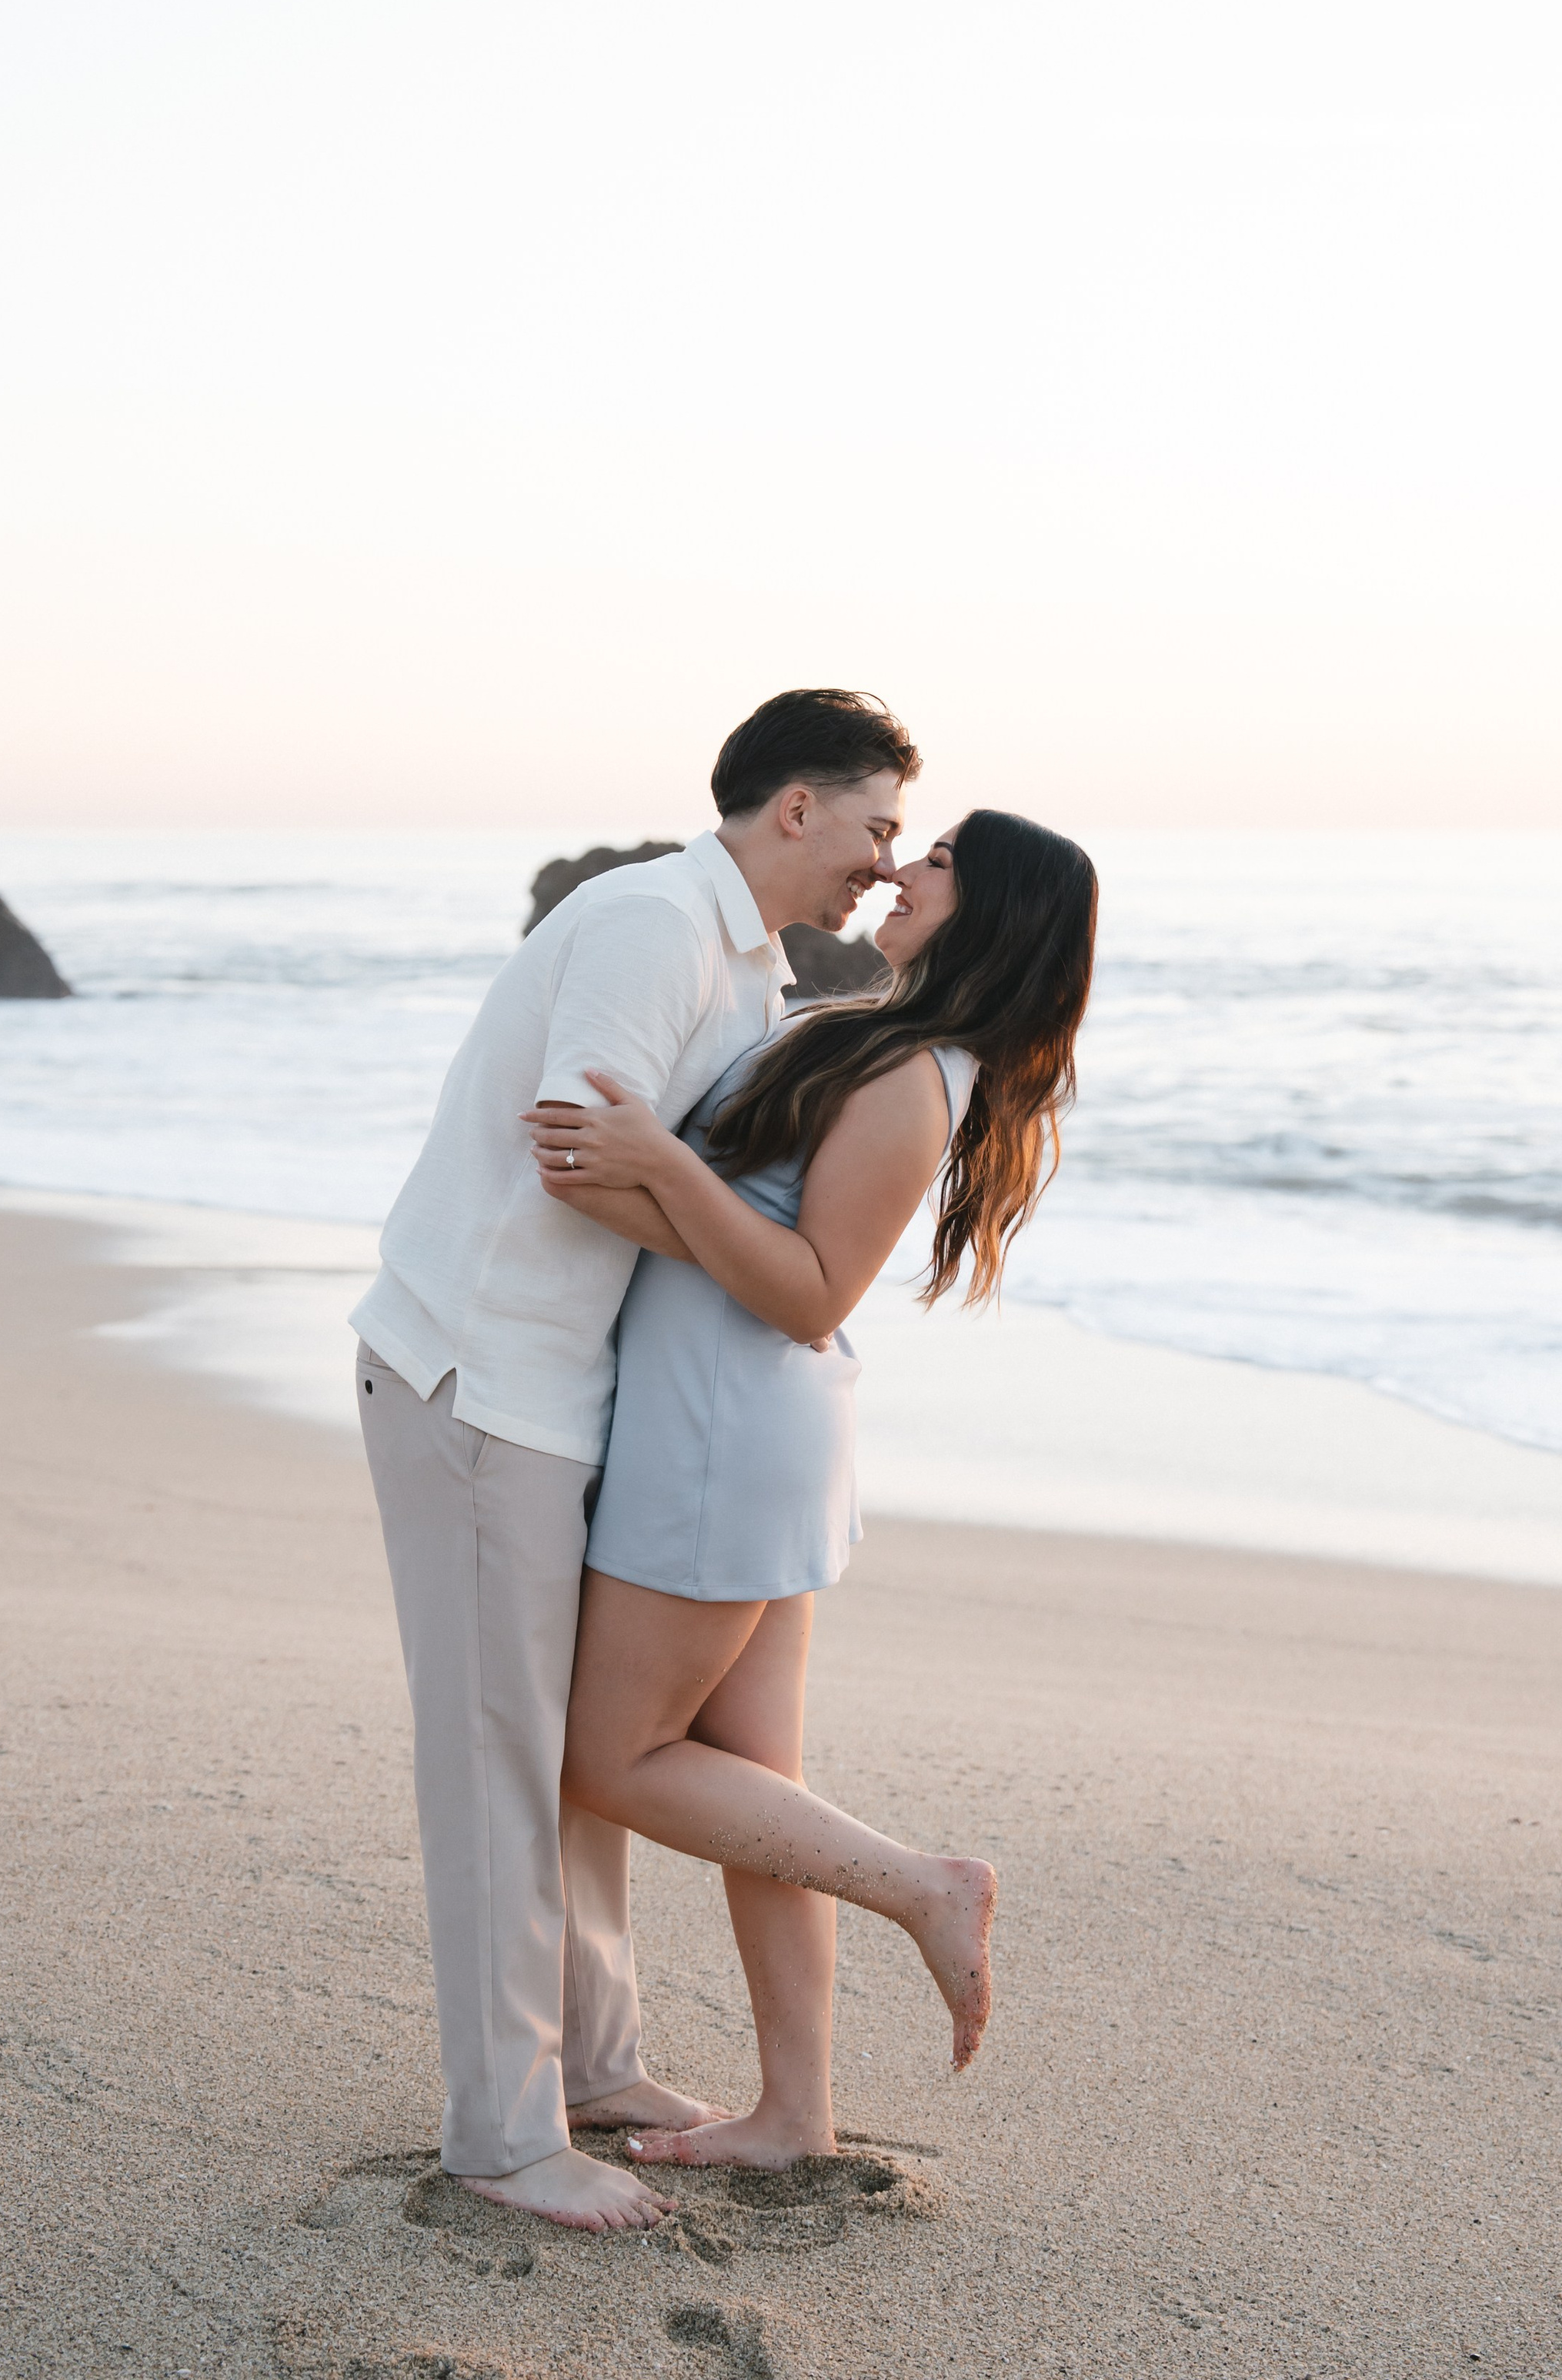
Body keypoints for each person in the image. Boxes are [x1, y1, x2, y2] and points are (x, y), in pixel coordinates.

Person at [349, 689, 921, 2231]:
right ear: (792, 807)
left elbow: (647, 1176)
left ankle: (592, 2067)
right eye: (872, 828)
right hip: (479, 1376)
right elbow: (573, 1149)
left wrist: (725, 1246)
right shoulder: (655, 925)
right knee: (497, 1769)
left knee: (564, 1766)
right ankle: (502, 2136)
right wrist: (754, 1268)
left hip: (562, 1395)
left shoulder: (744, 964)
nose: (883, 865)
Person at [525, 808, 1099, 2170]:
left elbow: (804, 1291)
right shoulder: (874, 1036)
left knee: (605, 1760)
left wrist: (660, 1163)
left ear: (993, 912)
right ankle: (795, 2116)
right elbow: (744, 1240)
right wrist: (656, 1186)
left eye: (938, 861)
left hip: (728, 1430)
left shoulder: (911, 1079)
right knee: (758, 1787)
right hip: (739, 1426)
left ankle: (924, 1888)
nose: (902, 871)